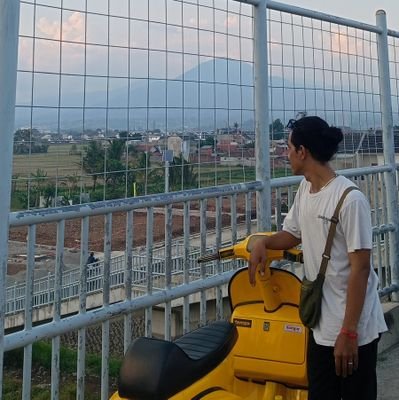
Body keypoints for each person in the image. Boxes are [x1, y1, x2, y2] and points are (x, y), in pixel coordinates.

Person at [248, 116, 387, 400]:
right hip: (320, 325)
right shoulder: (305, 189)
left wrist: (349, 333)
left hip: (352, 329)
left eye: (288, 148)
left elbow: (360, 270)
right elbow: (292, 233)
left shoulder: (350, 199)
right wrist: (264, 242)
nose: (285, 154)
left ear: (303, 151)